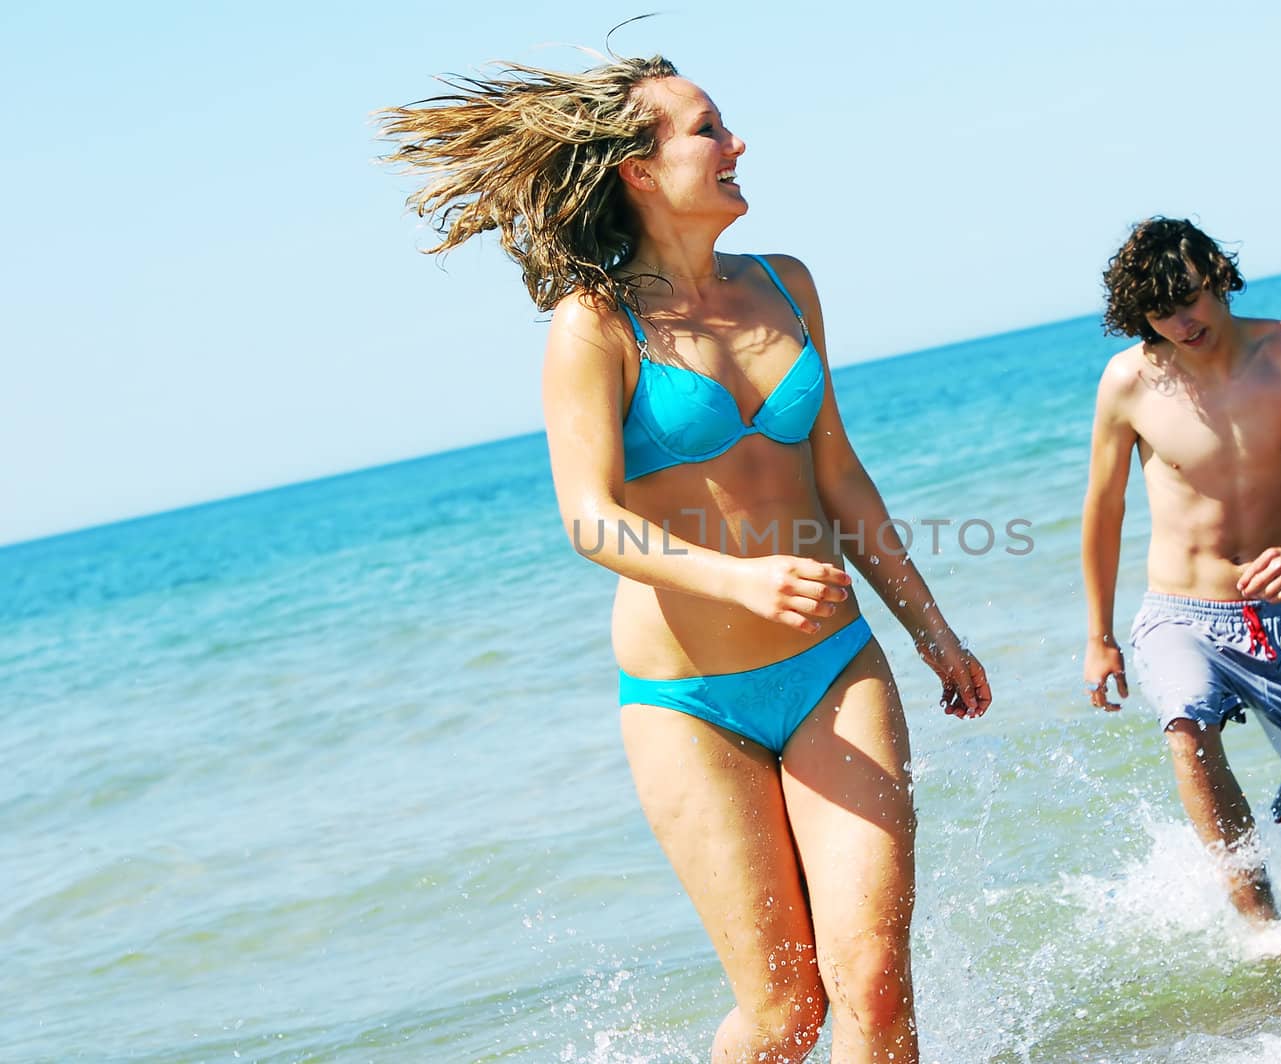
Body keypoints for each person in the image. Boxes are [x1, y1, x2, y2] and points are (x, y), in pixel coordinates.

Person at [379, 53, 990, 1062]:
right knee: (785, 1014)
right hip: (689, 702)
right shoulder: (594, 325)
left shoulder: (786, 285)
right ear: (639, 169)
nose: (737, 144)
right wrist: (738, 575)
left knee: (875, 988)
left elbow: (839, 476)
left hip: (833, 665)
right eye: (709, 129)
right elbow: (589, 516)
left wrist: (934, 630)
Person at [1080, 217, 1281, 934]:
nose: (1180, 322)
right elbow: (1103, 512)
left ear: (1216, 272)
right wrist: (1098, 635)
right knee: (1187, 724)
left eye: (1187, 298)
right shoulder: (1129, 381)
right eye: (1159, 311)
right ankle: (1263, 927)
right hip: (1180, 611)